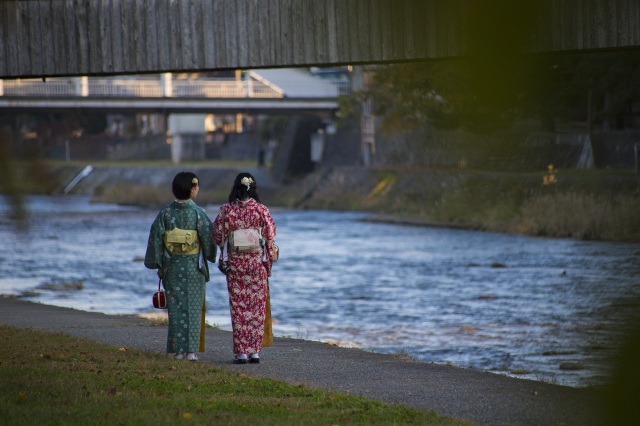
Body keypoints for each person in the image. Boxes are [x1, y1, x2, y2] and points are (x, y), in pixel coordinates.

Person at [144, 172, 216, 361]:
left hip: (172, 267)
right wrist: (211, 255)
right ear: (192, 189)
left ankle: (178, 351)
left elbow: (156, 239)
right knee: (192, 309)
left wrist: (159, 263)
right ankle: (191, 352)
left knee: (175, 309)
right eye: (197, 187)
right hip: (193, 267)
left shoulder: (165, 212)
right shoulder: (198, 212)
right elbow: (209, 240)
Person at [213, 172, 277, 364]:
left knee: (239, 309)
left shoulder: (226, 211)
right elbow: (271, 238)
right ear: (253, 188)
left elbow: (218, 236)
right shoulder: (261, 210)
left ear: (235, 188)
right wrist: (268, 264)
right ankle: (254, 352)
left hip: (236, 267)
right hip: (256, 266)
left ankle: (241, 352)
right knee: (257, 310)